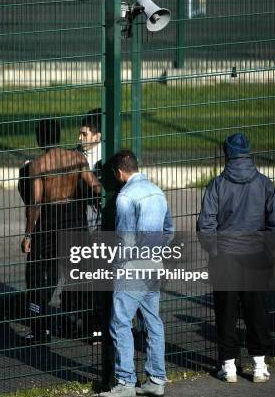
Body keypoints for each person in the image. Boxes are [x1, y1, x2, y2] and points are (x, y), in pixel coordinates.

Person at [197, 132, 275, 383]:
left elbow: (206, 224)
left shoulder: (218, 184)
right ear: (249, 153)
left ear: (227, 154)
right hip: (255, 255)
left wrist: (213, 251)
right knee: (256, 311)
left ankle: (229, 366)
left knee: (226, 312)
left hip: (225, 255)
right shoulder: (265, 184)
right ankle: (259, 365)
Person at [98, 150, 173, 397]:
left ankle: (125, 382)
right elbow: (168, 229)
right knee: (153, 321)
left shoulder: (125, 197)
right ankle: (156, 379)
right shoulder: (157, 191)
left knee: (120, 322)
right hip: (154, 265)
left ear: (119, 172)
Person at [20, 118, 102, 343]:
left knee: (39, 277)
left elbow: (35, 204)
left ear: (39, 139)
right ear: (58, 136)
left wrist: (28, 235)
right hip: (74, 219)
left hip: (49, 220)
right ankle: (94, 330)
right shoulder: (76, 158)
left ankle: (39, 330)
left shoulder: (38, 164)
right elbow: (95, 186)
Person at [77, 108, 103, 232]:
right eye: (80, 133)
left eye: (84, 134)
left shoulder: (107, 158)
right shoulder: (73, 155)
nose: (79, 138)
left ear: (97, 137)